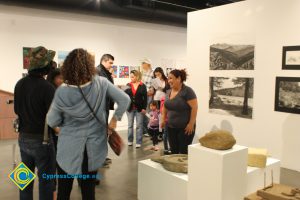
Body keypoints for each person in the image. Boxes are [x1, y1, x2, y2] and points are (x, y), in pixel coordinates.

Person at [47, 49, 130, 200]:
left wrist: (62, 127)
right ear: (89, 66)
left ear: (68, 67)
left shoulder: (62, 91)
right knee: (88, 192)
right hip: (92, 149)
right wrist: (114, 120)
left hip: (68, 148)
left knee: (63, 192)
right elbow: (125, 99)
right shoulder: (102, 83)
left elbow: (52, 120)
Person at [14, 46, 56, 200]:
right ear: (45, 67)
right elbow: (53, 117)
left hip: (23, 138)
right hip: (42, 140)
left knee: (24, 180)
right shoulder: (48, 88)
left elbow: (17, 109)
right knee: (46, 182)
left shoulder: (19, 84)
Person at [161, 69, 198, 154]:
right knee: (174, 152)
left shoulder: (187, 91)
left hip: (185, 128)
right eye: (168, 78)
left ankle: (185, 167)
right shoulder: (169, 91)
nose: (169, 81)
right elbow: (165, 107)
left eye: (171, 78)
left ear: (179, 79)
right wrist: (163, 119)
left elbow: (194, 107)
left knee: (183, 152)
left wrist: (191, 123)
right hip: (171, 127)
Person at [97, 54, 115, 168]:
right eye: (110, 63)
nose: (111, 65)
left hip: (104, 106)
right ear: (104, 61)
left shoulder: (104, 72)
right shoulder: (98, 71)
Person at [125, 70, 147, 148]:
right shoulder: (128, 85)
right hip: (129, 109)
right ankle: (130, 140)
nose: (131, 78)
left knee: (139, 126)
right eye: (130, 77)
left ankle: (138, 141)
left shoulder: (142, 85)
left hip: (139, 109)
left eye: (132, 77)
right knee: (130, 125)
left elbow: (145, 98)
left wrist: (144, 108)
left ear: (137, 76)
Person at [141, 58, 154, 137]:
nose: (142, 65)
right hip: (142, 95)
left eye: (143, 63)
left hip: (148, 95)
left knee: (147, 112)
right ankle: (144, 130)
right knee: (142, 112)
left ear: (148, 64)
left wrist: (151, 90)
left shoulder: (152, 73)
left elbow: (154, 85)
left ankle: (149, 130)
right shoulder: (142, 73)